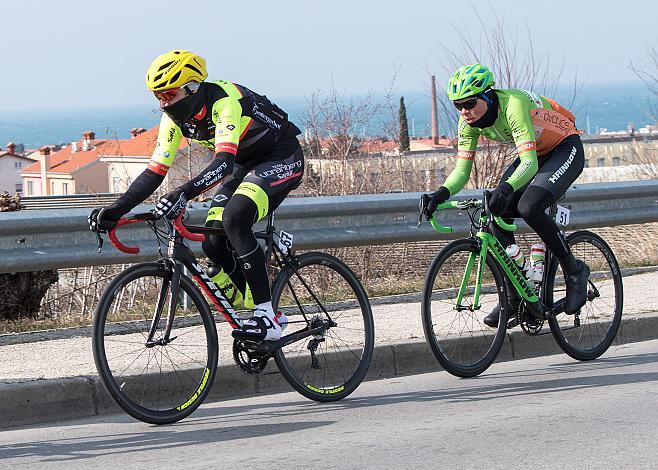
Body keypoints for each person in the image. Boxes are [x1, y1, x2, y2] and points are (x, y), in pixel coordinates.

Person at [89, 50, 304, 341]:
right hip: (246, 163)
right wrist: (115, 210)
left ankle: (269, 317)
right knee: (214, 239)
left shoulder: (225, 102)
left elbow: (223, 162)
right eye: (158, 97)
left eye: (169, 94)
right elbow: (155, 171)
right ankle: (251, 306)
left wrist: (184, 192)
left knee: (235, 217)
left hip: (280, 156)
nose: (164, 103)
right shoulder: (174, 119)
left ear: (192, 88)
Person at [423, 63, 589, 327]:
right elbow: (462, 170)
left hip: (563, 148)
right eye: (458, 105)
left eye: (469, 103)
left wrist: (506, 188)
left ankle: (574, 270)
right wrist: (440, 194)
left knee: (529, 207)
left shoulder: (513, 105)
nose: (464, 111)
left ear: (488, 96)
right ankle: (514, 297)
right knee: (494, 213)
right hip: (535, 153)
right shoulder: (469, 122)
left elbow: (529, 164)